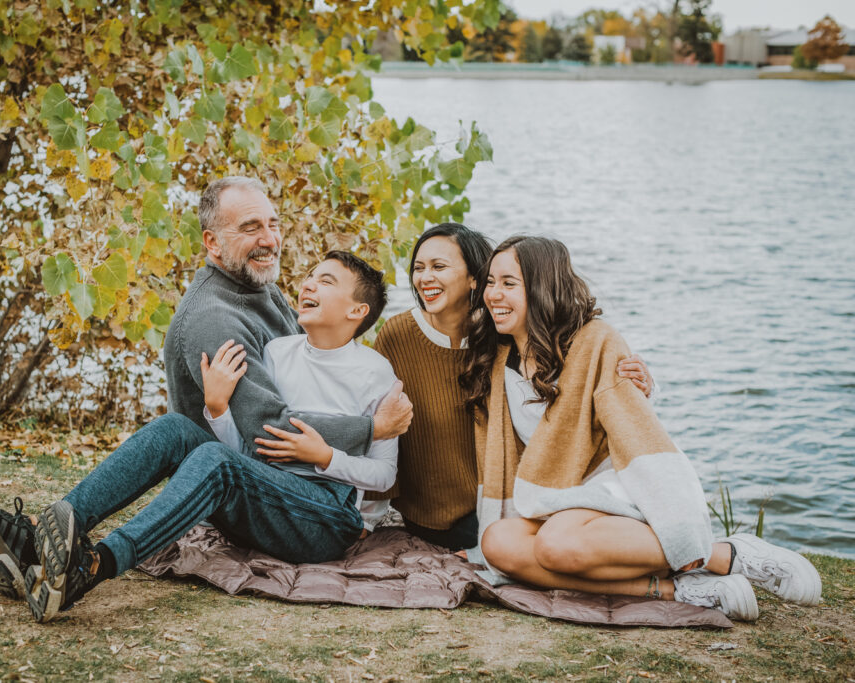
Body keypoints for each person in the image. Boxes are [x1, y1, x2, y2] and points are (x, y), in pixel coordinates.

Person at [0, 177, 413, 622]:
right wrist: (370, 428)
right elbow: (264, 433)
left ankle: (54, 553)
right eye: (250, 228)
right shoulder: (215, 319)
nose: (270, 238)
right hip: (257, 476)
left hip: (308, 505)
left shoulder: (266, 293)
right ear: (213, 244)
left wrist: (350, 441)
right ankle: (53, 552)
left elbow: (354, 436)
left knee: (201, 447)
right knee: (179, 434)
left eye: (273, 223)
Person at [464, 235, 821, 620]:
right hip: (555, 492)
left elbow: (632, 418)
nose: (493, 294)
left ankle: (726, 554)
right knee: (498, 544)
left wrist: (646, 389)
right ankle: (675, 589)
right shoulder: (500, 359)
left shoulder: (594, 339)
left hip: (612, 485)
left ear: (540, 288)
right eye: (490, 282)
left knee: (555, 545)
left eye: (508, 283)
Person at [362, 223, 655, 551]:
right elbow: (385, 427)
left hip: (518, 497)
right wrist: (366, 518)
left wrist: (629, 384)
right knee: (548, 546)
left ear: (474, 277)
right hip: (444, 516)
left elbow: (564, 385)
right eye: (419, 268)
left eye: (439, 267)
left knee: (575, 537)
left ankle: (677, 552)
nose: (425, 277)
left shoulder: (501, 335)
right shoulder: (398, 335)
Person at [201, 251, 398, 529]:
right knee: (174, 430)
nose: (307, 284)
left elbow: (385, 474)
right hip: (265, 495)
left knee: (212, 457)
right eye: (309, 277)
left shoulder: (376, 372)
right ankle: (120, 548)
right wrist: (218, 408)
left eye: (326, 282)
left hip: (324, 514)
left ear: (356, 310)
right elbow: (250, 452)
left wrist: (325, 458)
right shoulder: (277, 353)